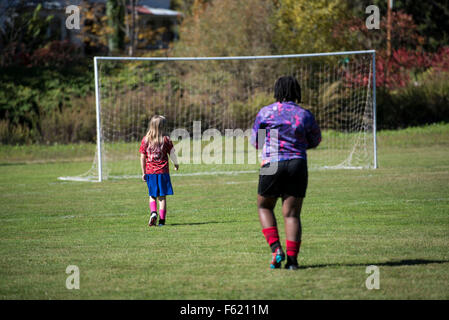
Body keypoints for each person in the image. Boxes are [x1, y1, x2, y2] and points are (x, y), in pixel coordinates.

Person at [250, 76, 321, 270]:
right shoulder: (304, 115)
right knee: (292, 215)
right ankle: (292, 262)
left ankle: (276, 249)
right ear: (297, 91)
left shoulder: (266, 113)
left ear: (277, 91)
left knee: (264, 207)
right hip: (297, 163)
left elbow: (257, 142)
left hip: (272, 163)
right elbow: (315, 140)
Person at [139, 115, 179, 227]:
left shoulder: (146, 140)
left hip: (151, 173)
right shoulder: (166, 139)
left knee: (152, 195)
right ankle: (161, 221)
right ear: (163, 127)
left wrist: (143, 172)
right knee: (162, 197)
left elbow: (142, 157)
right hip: (163, 173)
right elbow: (172, 154)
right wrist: (176, 164)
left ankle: (153, 213)